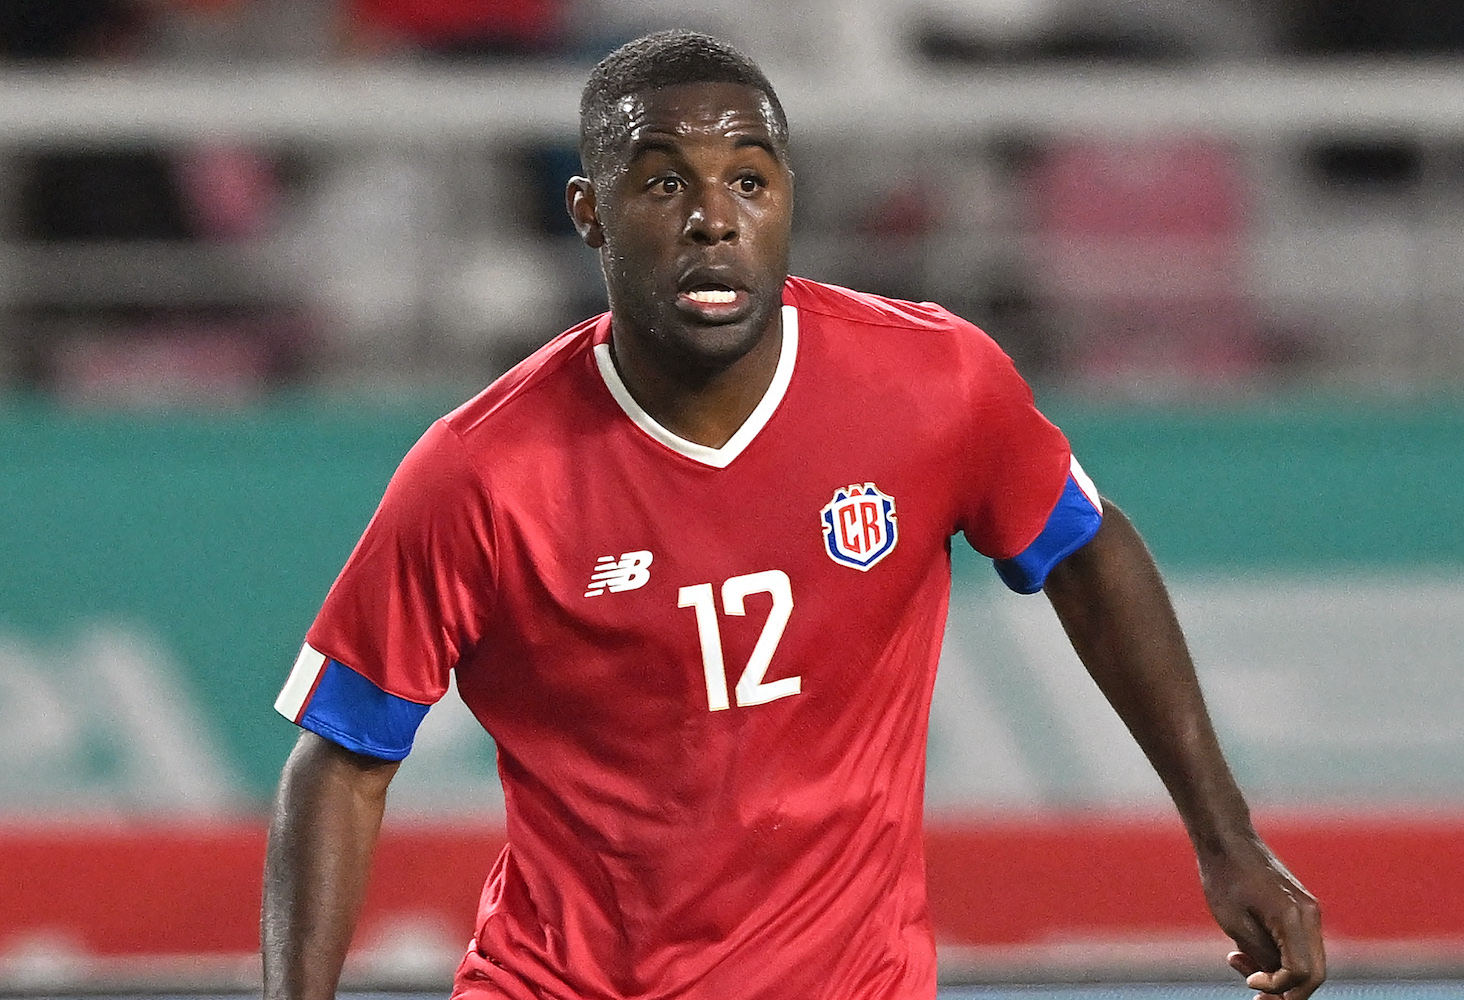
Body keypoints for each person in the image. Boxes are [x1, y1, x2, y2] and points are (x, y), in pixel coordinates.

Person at [261, 29, 1325, 1000]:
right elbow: (344, 757)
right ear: (589, 211)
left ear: (788, 201)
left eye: (749, 181)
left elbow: (1087, 550)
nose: (712, 217)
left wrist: (1225, 836)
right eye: (663, 182)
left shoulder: (932, 383)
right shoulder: (480, 472)